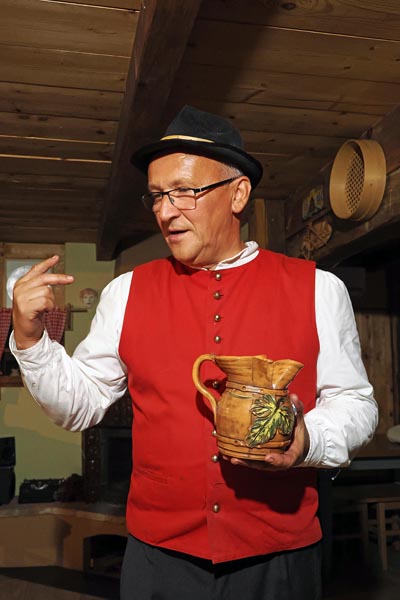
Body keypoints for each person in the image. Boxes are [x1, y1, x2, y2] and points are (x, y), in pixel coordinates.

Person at [10, 105, 378, 600]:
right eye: (157, 195)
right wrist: (31, 339)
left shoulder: (319, 289)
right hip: (159, 559)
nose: (165, 211)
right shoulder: (125, 293)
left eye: (184, 191)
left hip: (278, 558)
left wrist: (308, 439)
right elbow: (80, 404)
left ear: (238, 194)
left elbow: (356, 405)